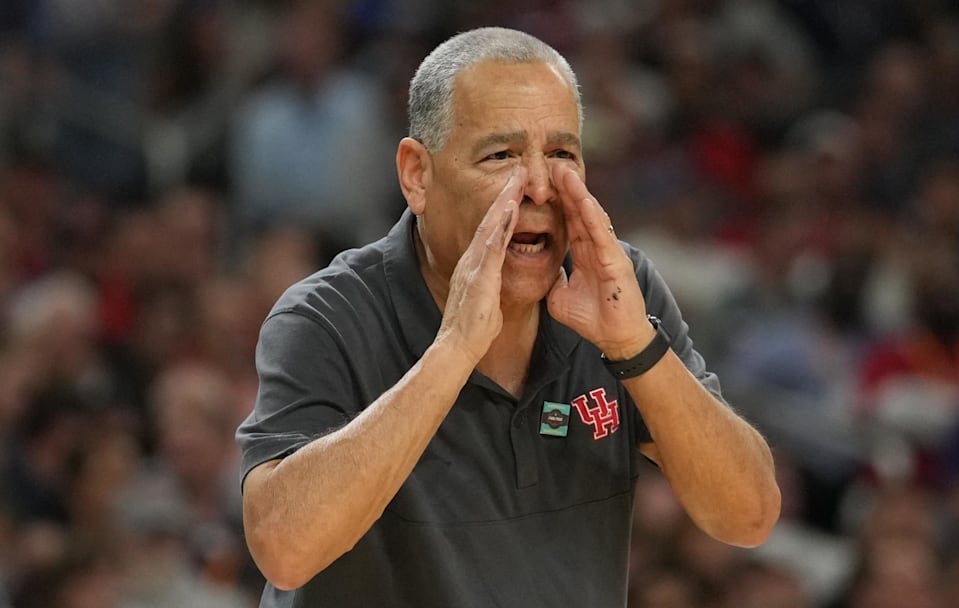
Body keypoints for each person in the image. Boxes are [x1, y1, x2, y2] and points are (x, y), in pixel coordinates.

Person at [236, 26, 781, 607]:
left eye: (562, 154)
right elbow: (284, 550)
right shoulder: (328, 316)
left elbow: (748, 517)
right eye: (502, 156)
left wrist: (636, 349)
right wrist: (453, 352)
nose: (541, 187)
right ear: (417, 174)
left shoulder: (617, 287)